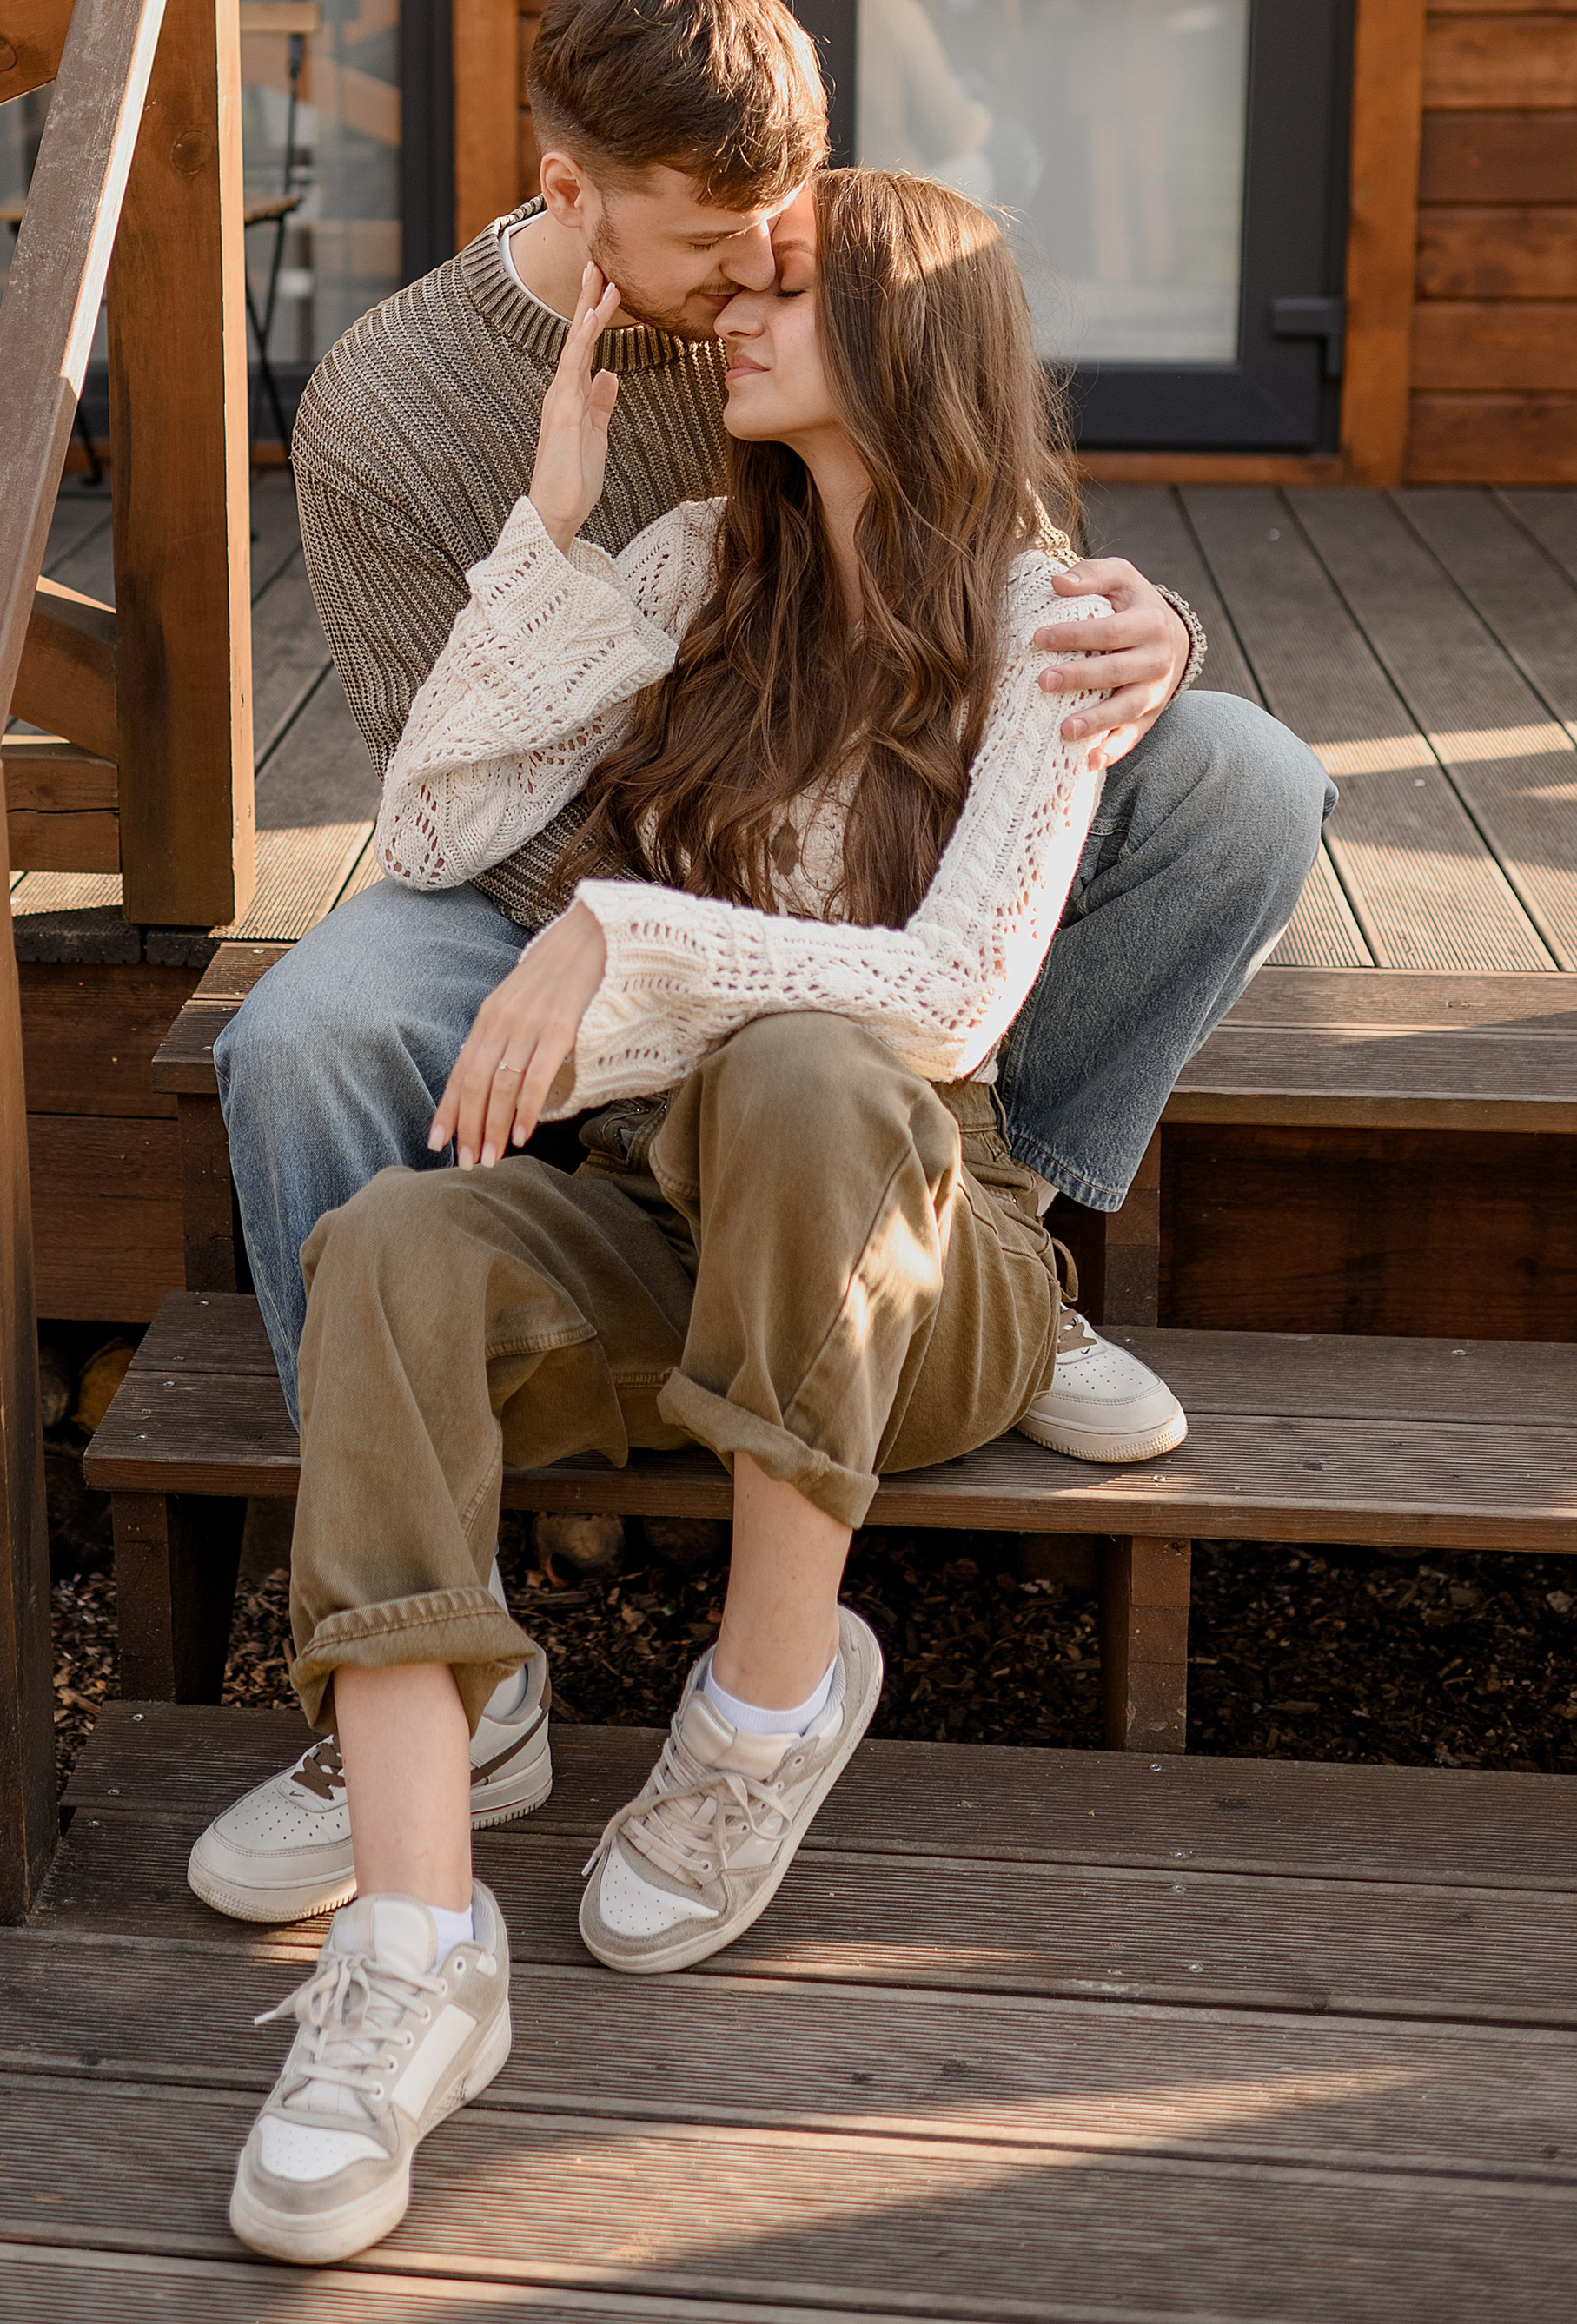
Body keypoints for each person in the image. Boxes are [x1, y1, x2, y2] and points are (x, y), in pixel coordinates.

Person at [223, 168, 1329, 2268]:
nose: (732, 307)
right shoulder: (687, 565)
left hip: (928, 1270)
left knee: (816, 1068)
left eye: (790, 289)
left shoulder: (1037, 617)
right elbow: (437, 818)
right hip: (682, 1246)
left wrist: (621, 942)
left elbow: (951, 1001)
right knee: (386, 1244)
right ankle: (408, 1958)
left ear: (905, 339)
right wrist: (541, 533)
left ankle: (759, 1706)